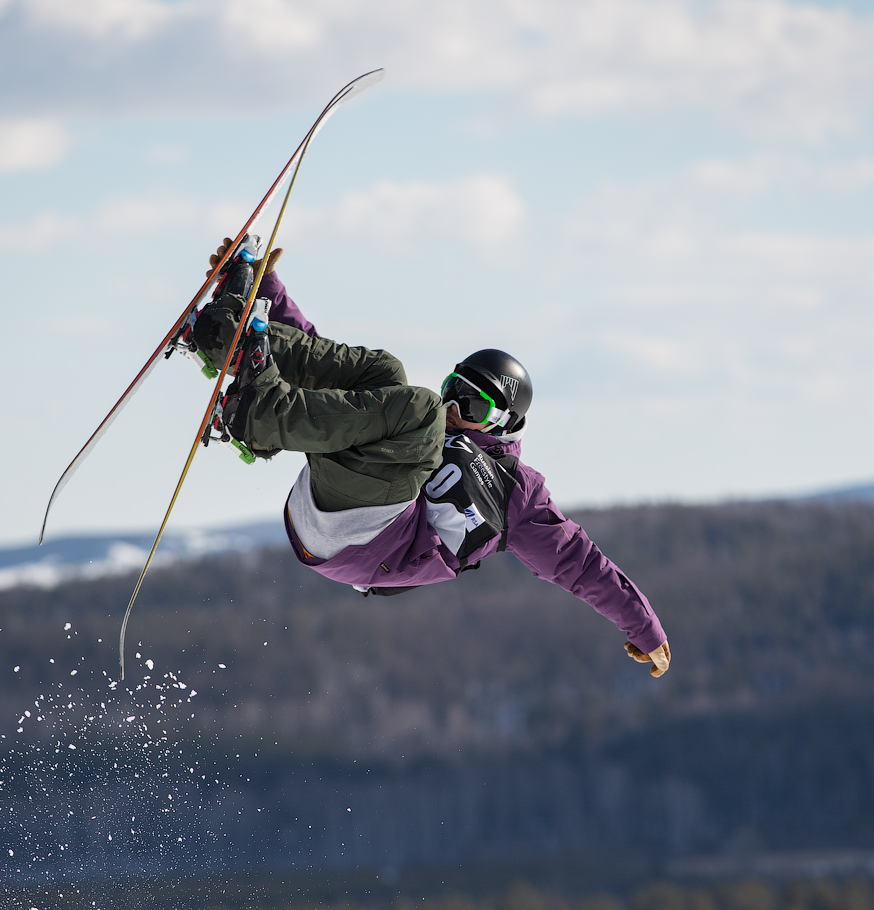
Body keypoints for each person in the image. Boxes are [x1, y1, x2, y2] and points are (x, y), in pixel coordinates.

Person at [188, 239, 671, 677]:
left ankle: (255, 412)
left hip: (373, 544)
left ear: (503, 424)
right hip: (330, 498)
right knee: (385, 373)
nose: (455, 410)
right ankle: (223, 336)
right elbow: (328, 370)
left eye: (474, 406)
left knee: (416, 409)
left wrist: (644, 626)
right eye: (453, 391)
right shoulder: (418, 425)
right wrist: (267, 289)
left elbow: (579, 563)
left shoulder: (517, 495)